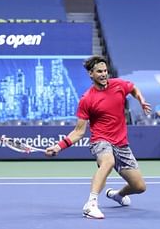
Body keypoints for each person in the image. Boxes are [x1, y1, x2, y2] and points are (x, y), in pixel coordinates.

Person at [45, 55, 152, 219]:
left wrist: (141, 100)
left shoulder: (118, 85)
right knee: (108, 161)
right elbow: (79, 131)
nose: (103, 74)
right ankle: (91, 204)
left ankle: (117, 195)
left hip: (121, 144)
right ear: (91, 74)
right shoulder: (87, 99)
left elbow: (133, 88)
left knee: (139, 187)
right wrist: (59, 146)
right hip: (101, 141)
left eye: (105, 71)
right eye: (99, 71)